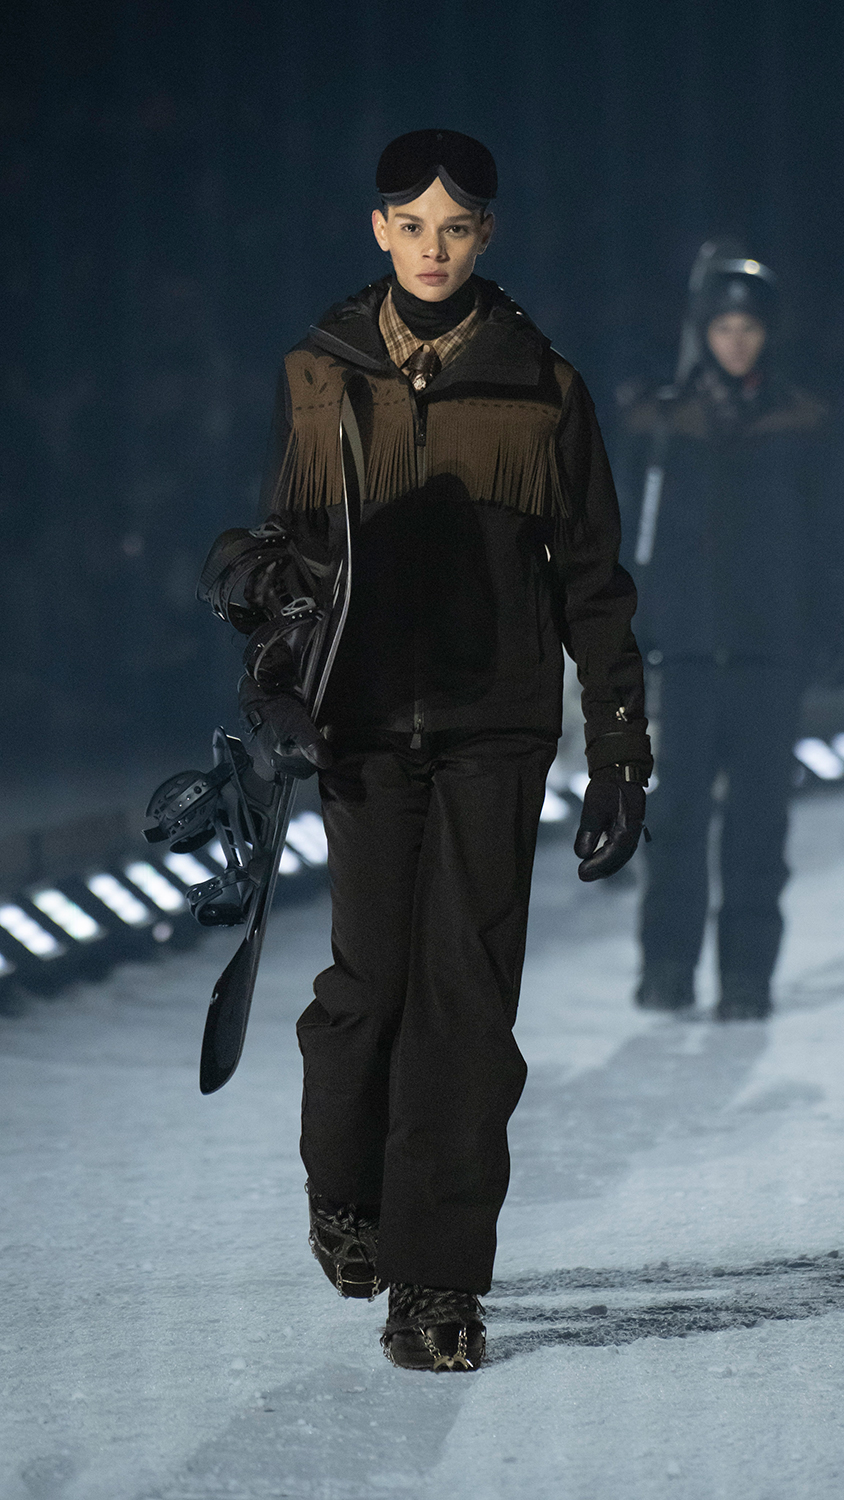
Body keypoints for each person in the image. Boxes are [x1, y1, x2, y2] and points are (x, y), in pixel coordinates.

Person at [200, 130, 651, 1370]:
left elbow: (594, 582)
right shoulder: (318, 372)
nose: (434, 248)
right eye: (413, 225)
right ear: (379, 229)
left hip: (496, 726)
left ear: (484, 234)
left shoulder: (544, 386)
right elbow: (286, 553)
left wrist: (620, 746)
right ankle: (344, 1193)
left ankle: (437, 1283)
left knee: (466, 1007)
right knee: (369, 989)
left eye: (456, 228)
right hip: (359, 727)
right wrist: (270, 662)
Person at [618, 243, 838, 1022]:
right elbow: (635, 538)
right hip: (686, 652)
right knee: (676, 816)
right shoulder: (664, 424)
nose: (736, 341)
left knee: (757, 823)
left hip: (770, 654)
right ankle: (667, 965)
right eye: (723, 328)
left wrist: (822, 633)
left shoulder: (801, 421)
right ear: (703, 331)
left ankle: (747, 975)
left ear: (767, 334)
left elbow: (825, 539)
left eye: (749, 329)